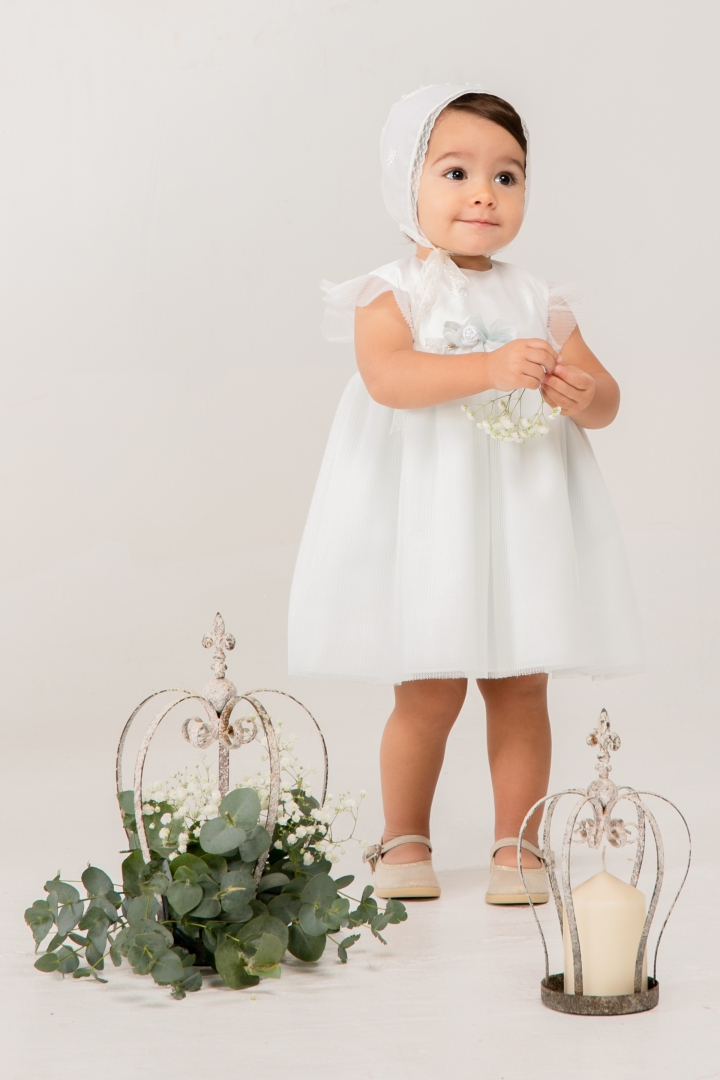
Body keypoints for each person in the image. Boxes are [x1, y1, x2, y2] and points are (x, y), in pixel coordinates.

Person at [288, 85, 643, 903]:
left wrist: (582, 394)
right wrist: (486, 368)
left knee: (522, 683)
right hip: (431, 517)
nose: (484, 193)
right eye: (455, 172)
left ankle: (518, 847)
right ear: (404, 186)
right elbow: (389, 377)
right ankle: (404, 841)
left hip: (521, 515)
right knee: (429, 684)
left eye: (506, 176)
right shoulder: (393, 292)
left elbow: (608, 401)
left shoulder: (539, 299)